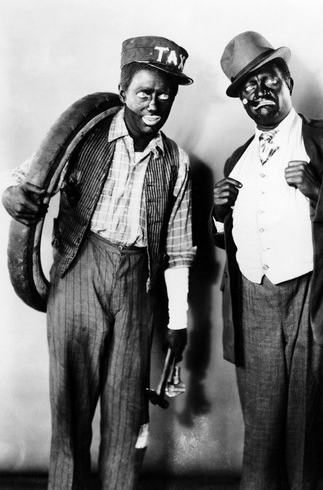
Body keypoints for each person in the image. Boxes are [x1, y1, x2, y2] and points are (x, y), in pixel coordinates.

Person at [2, 35, 196, 489]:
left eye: (165, 95)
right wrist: (11, 196)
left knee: (128, 411)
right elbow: (22, 180)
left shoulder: (177, 161)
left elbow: (179, 249)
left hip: (137, 285)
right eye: (145, 92)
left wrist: (178, 320)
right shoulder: (82, 138)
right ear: (123, 90)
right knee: (70, 405)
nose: (155, 103)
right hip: (78, 271)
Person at [211, 31, 323, 489]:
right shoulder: (237, 159)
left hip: (318, 294)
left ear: (288, 81)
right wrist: (218, 215)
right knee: (261, 430)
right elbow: (237, 239)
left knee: (309, 430)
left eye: (267, 80)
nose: (258, 92)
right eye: (247, 88)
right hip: (253, 299)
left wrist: (320, 190)